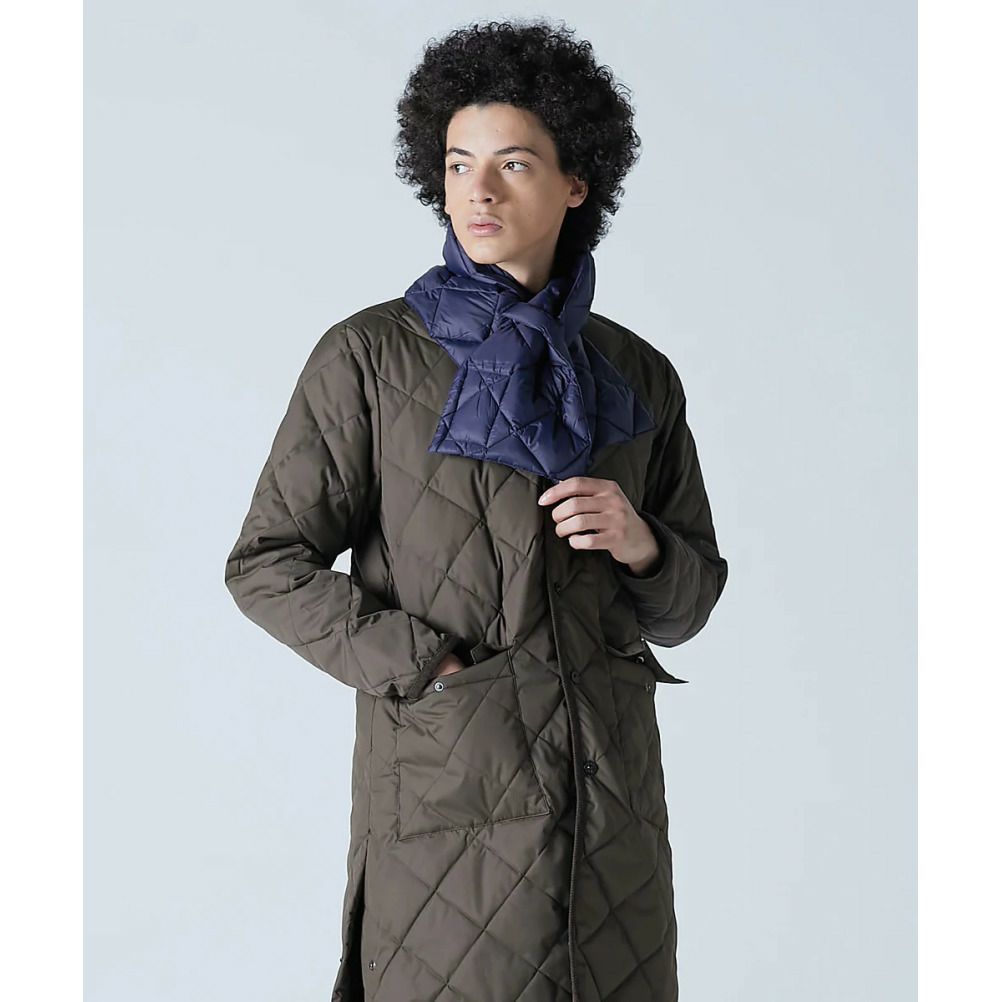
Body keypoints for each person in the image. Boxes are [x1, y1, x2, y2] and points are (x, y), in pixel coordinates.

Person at [224, 17, 728, 1002]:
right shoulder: (371, 357)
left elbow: (690, 602)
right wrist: (425, 666)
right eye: (459, 165)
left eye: (512, 163)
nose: (479, 191)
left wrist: (642, 545)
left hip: (612, 822)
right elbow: (267, 564)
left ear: (576, 182)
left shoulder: (635, 374)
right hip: (449, 807)